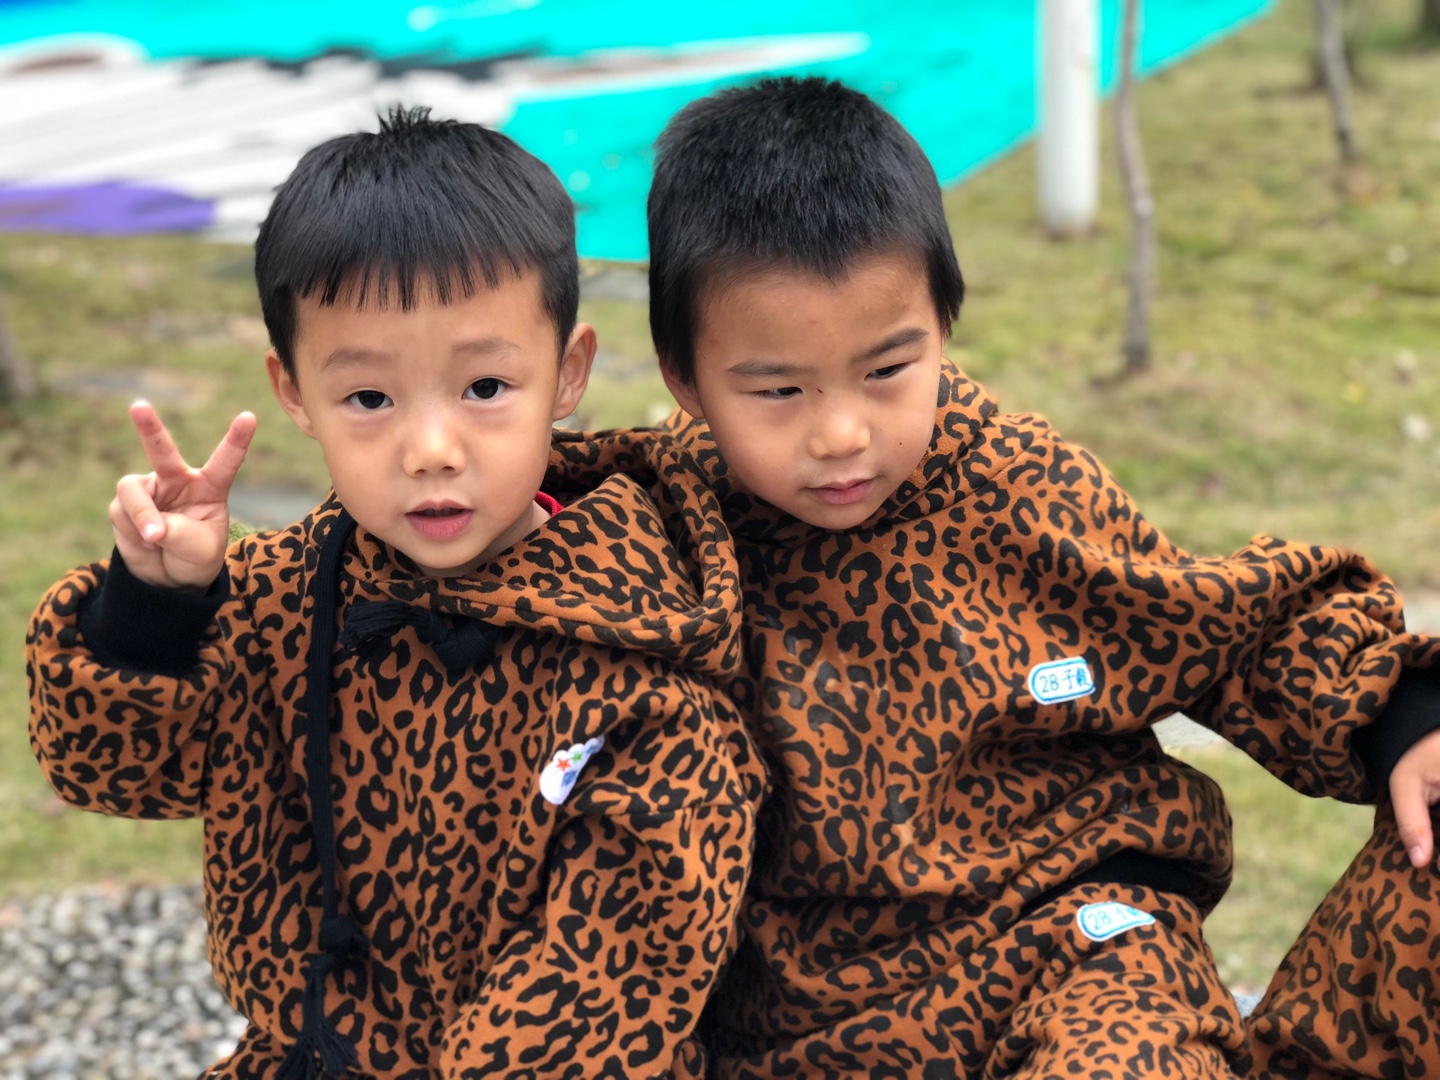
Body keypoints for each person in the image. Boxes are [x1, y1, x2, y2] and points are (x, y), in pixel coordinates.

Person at [625, 75, 1440, 1078]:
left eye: (887, 371)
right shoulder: (659, 543)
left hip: (1083, 941)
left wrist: (1404, 715)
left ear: (942, 325)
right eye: (780, 390)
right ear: (684, 376)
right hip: (815, 1022)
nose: (841, 433)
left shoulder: (1018, 487)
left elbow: (1229, 627)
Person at [26, 106, 764, 1079]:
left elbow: (595, 1006)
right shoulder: (287, 600)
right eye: (370, 398)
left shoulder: (642, 675)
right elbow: (111, 769)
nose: (431, 450)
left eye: (485, 388)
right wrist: (156, 603)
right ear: (295, 392)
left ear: (569, 372)